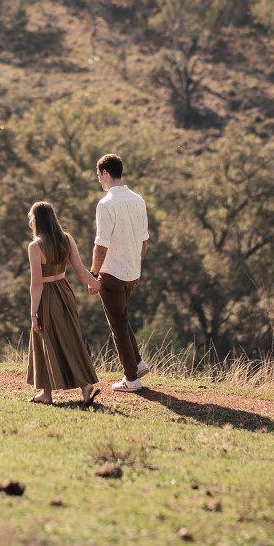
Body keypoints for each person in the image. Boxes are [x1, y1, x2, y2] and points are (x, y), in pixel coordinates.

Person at [25, 201, 101, 406]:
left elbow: (36, 284)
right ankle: (83, 386)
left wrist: (33, 314)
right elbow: (81, 272)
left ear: (36, 220)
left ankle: (47, 393)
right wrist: (99, 286)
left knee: (45, 340)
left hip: (47, 296)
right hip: (65, 292)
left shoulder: (35, 246)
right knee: (70, 338)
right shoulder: (67, 239)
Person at [89, 153, 149, 392]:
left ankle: (131, 379)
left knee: (117, 326)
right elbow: (144, 241)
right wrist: (137, 268)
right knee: (121, 318)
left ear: (105, 173)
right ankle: (138, 363)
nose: (98, 179)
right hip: (131, 273)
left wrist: (93, 276)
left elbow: (101, 244)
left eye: (98, 175)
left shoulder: (105, 204)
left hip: (111, 273)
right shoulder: (138, 200)